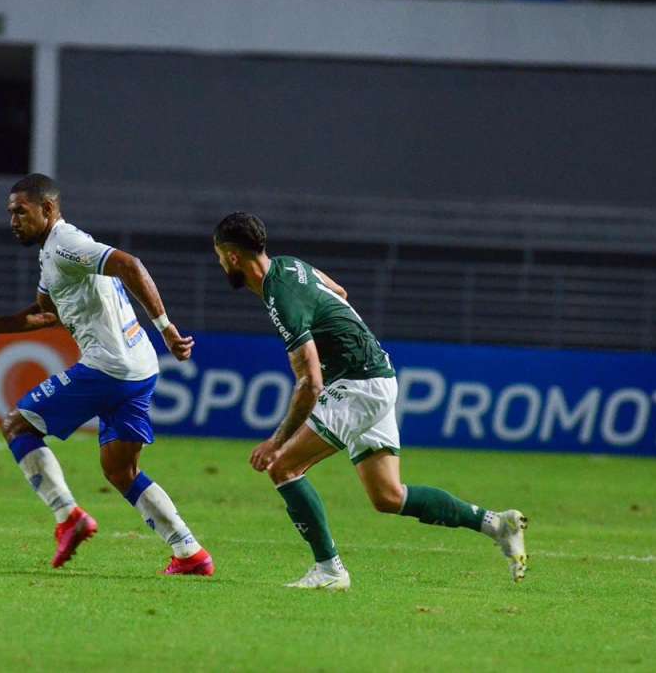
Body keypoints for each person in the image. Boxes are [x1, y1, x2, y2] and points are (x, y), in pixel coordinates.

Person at [212, 211, 526, 590]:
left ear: (232, 257)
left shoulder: (281, 299)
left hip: (359, 385)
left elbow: (311, 383)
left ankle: (330, 570)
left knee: (282, 467)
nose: (218, 263)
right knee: (388, 496)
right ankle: (497, 524)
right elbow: (339, 292)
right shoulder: (290, 265)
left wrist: (275, 442)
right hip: (376, 374)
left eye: (218, 256)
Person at [0, 173, 213, 576]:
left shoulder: (67, 244)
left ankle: (68, 517)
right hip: (139, 369)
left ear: (48, 209)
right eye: (9, 213)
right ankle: (190, 552)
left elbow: (129, 264)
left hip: (109, 366)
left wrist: (167, 327)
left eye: (21, 211)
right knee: (121, 471)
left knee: (18, 426)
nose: (12, 220)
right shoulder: (51, 253)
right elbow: (46, 312)